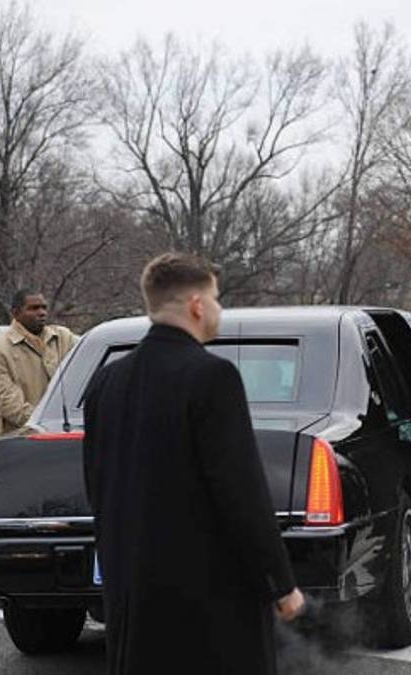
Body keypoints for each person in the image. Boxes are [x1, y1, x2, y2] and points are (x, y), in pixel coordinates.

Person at [82, 252, 304, 674]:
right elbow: (241, 490)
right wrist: (280, 582)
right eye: (216, 299)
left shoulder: (106, 381)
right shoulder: (212, 377)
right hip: (208, 602)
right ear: (197, 306)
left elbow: (97, 484)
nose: (219, 309)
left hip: (132, 596)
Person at [0, 290, 78, 439]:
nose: (41, 313)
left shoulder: (63, 338)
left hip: (60, 434)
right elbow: (6, 401)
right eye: (33, 308)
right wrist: (45, 423)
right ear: (16, 313)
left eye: (44, 307)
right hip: (15, 439)